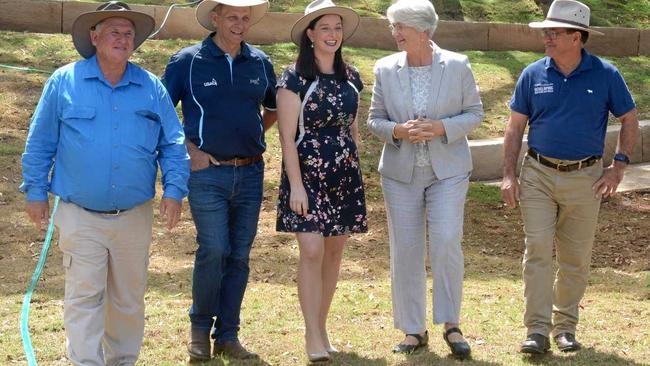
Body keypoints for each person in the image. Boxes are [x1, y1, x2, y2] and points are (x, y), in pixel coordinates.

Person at [20, 2, 190, 365]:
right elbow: (40, 141)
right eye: (114, 31)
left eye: (129, 34)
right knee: (84, 297)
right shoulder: (64, 82)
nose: (123, 39)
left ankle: (123, 361)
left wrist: (174, 191)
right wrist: (35, 191)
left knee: (128, 299)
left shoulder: (151, 87)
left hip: (133, 215)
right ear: (94, 38)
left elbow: (173, 143)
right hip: (80, 214)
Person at [500, 0, 639, 355]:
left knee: (575, 258)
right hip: (537, 175)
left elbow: (629, 118)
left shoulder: (606, 74)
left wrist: (619, 165)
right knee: (537, 252)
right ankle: (537, 331)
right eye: (546, 31)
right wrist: (508, 175)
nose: (547, 36)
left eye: (555, 31)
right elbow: (515, 128)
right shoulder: (533, 73)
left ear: (577, 37)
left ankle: (565, 328)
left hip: (586, 178)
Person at [367, 0, 483, 359]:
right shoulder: (385, 68)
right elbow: (374, 120)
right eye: (393, 27)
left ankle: (451, 323)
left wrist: (441, 127)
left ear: (423, 30)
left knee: (447, 241)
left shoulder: (458, 65)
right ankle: (413, 329)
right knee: (406, 249)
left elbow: (475, 113)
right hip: (400, 174)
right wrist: (398, 131)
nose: (395, 33)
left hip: (448, 170)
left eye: (401, 26)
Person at [162, 0, 277, 361]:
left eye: (245, 18)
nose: (239, 24)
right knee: (214, 249)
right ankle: (199, 330)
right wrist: (191, 152)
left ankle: (227, 335)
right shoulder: (187, 61)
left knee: (239, 256)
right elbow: (163, 114)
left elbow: (273, 107)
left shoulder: (260, 62)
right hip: (206, 173)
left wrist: (255, 134)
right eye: (232, 17)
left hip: (251, 171)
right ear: (215, 19)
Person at [275, 0, 367, 362]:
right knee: (311, 251)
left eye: (337, 28)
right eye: (325, 28)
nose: (333, 34)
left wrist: (355, 166)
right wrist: (296, 186)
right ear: (310, 34)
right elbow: (285, 138)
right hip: (307, 175)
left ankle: (322, 327)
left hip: (343, 174)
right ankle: (311, 334)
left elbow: (353, 128)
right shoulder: (294, 78)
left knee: (334, 252)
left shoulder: (352, 76)